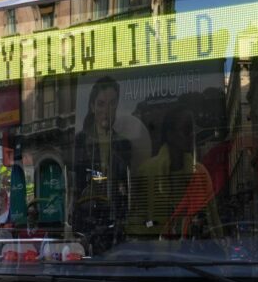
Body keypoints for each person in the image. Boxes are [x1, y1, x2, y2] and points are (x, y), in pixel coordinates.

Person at [131, 105, 221, 239]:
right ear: (170, 135)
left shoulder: (200, 173)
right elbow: (137, 223)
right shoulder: (146, 172)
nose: (192, 135)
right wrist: (154, 225)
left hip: (195, 256)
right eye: (186, 130)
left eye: (193, 130)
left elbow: (214, 222)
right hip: (154, 256)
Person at [72, 76, 133, 254]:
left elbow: (127, 188)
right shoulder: (80, 142)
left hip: (116, 222)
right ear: (92, 107)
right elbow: (77, 183)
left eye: (112, 103)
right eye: (101, 104)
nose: (107, 110)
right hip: (88, 219)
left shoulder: (124, 144)